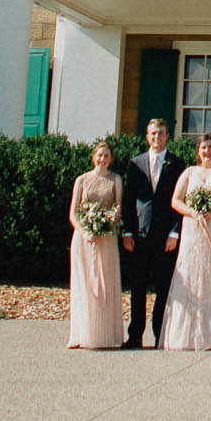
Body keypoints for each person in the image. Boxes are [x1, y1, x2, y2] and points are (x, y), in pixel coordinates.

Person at [159, 132, 211, 351]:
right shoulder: (190, 173)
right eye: (203, 148)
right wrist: (193, 212)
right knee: (192, 276)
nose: (207, 151)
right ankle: (186, 337)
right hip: (193, 231)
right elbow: (176, 201)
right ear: (198, 151)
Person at [121, 117, 183, 349]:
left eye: (161, 133)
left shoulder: (177, 165)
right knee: (137, 287)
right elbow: (128, 201)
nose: (157, 137)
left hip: (165, 237)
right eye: (153, 134)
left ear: (167, 136)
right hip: (139, 235)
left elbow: (180, 202)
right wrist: (127, 231)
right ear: (147, 136)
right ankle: (135, 335)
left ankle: (161, 334)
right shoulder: (135, 164)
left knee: (163, 288)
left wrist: (174, 234)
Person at [66, 139, 123, 350]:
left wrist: (105, 226)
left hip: (106, 238)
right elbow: (73, 212)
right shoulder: (82, 180)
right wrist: (85, 230)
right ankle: (82, 333)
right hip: (84, 239)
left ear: (111, 158)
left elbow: (118, 210)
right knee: (85, 283)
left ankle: (105, 335)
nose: (102, 159)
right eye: (99, 155)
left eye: (106, 155)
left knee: (104, 285)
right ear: (93, 157)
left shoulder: (115, 179)